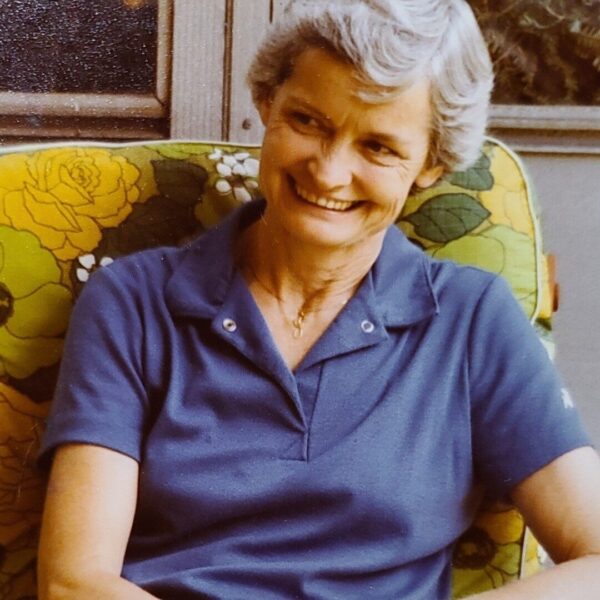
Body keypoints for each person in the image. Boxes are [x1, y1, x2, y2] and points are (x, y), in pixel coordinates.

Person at [37, 1, 600, 598]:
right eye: (308, 121)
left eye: (378, 147)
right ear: (267, 102)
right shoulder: (133, 302)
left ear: (432, 164)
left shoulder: (472, 319)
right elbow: (75, 582)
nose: (329, 173)